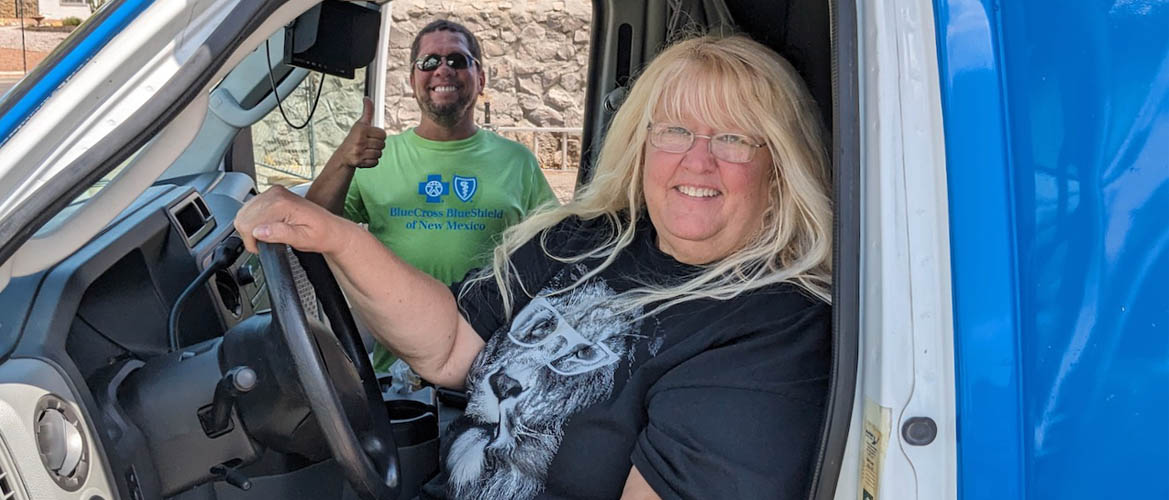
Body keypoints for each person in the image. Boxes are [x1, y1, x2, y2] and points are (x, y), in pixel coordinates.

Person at [238, 33, 832, 500]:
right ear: (642, 144)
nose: (697, 162)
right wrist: (333, 236)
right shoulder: (591, 236)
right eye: (674, 131)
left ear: (779, 168)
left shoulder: (773, 327)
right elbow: (450, 346)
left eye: (733, 138)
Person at [306, 19, 558, 371]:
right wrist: (343, 160)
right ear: (412, 80)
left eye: (457, 60)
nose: (443, 69)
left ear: (480, 78)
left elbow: (558, 249)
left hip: (494, 363)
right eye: (429, 62)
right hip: (397, 368)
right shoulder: (373, 157)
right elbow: (310, 225)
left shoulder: (518, 162)